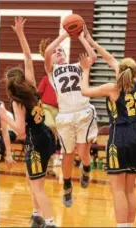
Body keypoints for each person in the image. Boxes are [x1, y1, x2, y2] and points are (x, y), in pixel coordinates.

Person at [79, 31, 136, 227]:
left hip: (120, 136)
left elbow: (85, 91)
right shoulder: (135, 83)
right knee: (130, 189)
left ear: (120, 71)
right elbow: (110, 59)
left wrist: (85, 70)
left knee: (117, 189)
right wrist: (90, 42)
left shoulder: (113, 88)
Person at [0, 17, 57, 227]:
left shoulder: (16, 102)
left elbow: (21, 131)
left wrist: (5, 117)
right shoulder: (31, 86)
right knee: (32, 179)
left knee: (37, 186)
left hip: (35, 141)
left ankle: (49, 222)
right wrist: (21, 34)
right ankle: (37, 215)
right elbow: (28, 58)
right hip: (47, 136)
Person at [43, 28, 98, 207]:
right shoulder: (52, 70)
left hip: (83, 111)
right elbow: (47, 51)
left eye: (61, 50)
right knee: (68, 153)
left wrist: (82, 38)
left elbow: (93, 57)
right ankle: (67, 185)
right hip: (65, 115)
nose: (58, 52)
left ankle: (87, 167)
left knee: (82, 152)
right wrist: (65, 35)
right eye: (56, 51)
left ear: (66, 55)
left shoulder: (77, 65)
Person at [38, 74, 60, 176]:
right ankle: (57, 137)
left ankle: (49, 168)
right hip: (45, 107)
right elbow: (38, 93)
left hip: (59, 110)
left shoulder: (64, 78)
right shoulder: (46, 78)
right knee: (51, 126)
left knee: (51, 141)